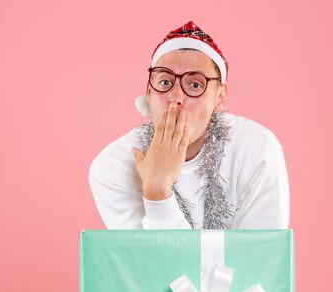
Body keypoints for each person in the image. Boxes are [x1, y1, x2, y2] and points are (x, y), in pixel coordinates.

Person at [89, 21, 290, 229]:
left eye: (195, 84)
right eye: (165, 82)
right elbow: (147, 261)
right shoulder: (112, 168)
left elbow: (261, 255)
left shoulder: (256, 149)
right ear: (148, 94)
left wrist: (158, 193)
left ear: (220, 97)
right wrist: (157, 193)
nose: (175, 97)